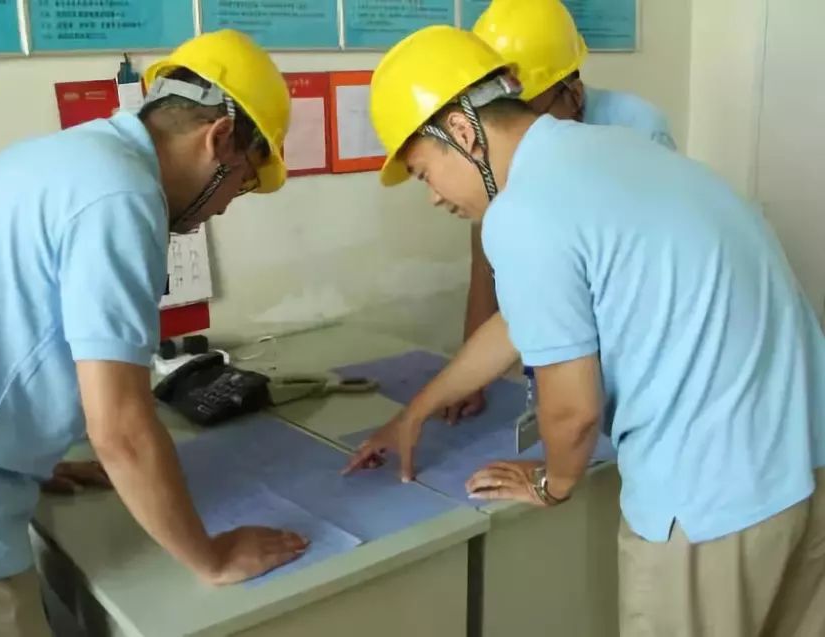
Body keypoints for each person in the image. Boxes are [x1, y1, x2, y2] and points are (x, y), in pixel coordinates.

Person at [0, 29, 307, 637]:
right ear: (220, 138)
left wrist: (29, 459)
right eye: (245, 179)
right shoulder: (122, 197)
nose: (229, 203)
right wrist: (213, 557)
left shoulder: (74, 158)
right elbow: (120, 429)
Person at [345, 25, 825, 636]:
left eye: (422, 174)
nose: (435, 198)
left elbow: (572, 412)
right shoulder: (616, 150)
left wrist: (554, 480)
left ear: (462, 133)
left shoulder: (524, 211)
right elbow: (523, 320)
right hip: (804, 465)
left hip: (708, 505)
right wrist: (417, 411)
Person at [448, 0, 676, 423]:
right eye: (498, 115)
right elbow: (486, 260)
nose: (511, 130)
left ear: (573, 93)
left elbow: (649, 277)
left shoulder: (637, 129)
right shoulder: (500, 142)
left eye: (525, 113)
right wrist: (469, 381)